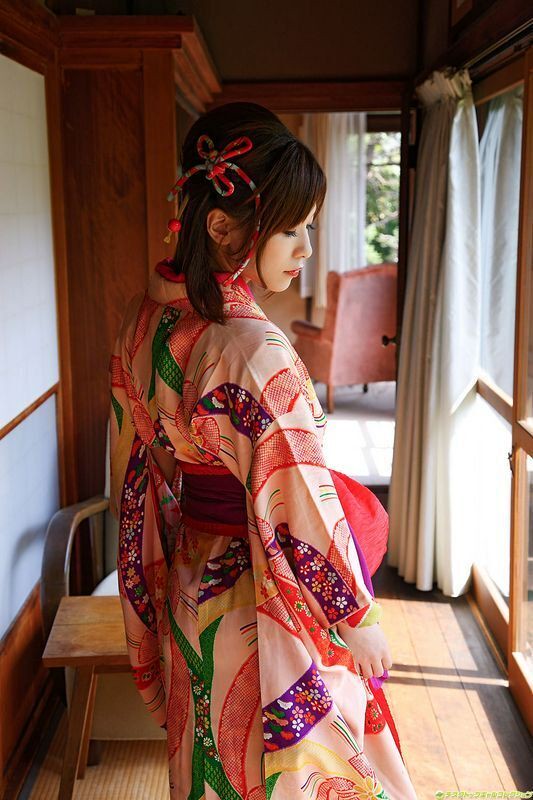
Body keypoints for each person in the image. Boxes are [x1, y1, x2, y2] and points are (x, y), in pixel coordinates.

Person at [109, 101, 418, 800]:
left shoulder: (143, 318)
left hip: (192, 575)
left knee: (214, 761)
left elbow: (151, 466)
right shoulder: (253, 350)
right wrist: (354, 615)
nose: (306, 249)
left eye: (309, 228)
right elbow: (297, 497)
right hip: (259, 595)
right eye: (292, 230)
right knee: (297, 772)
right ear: (223, 228)